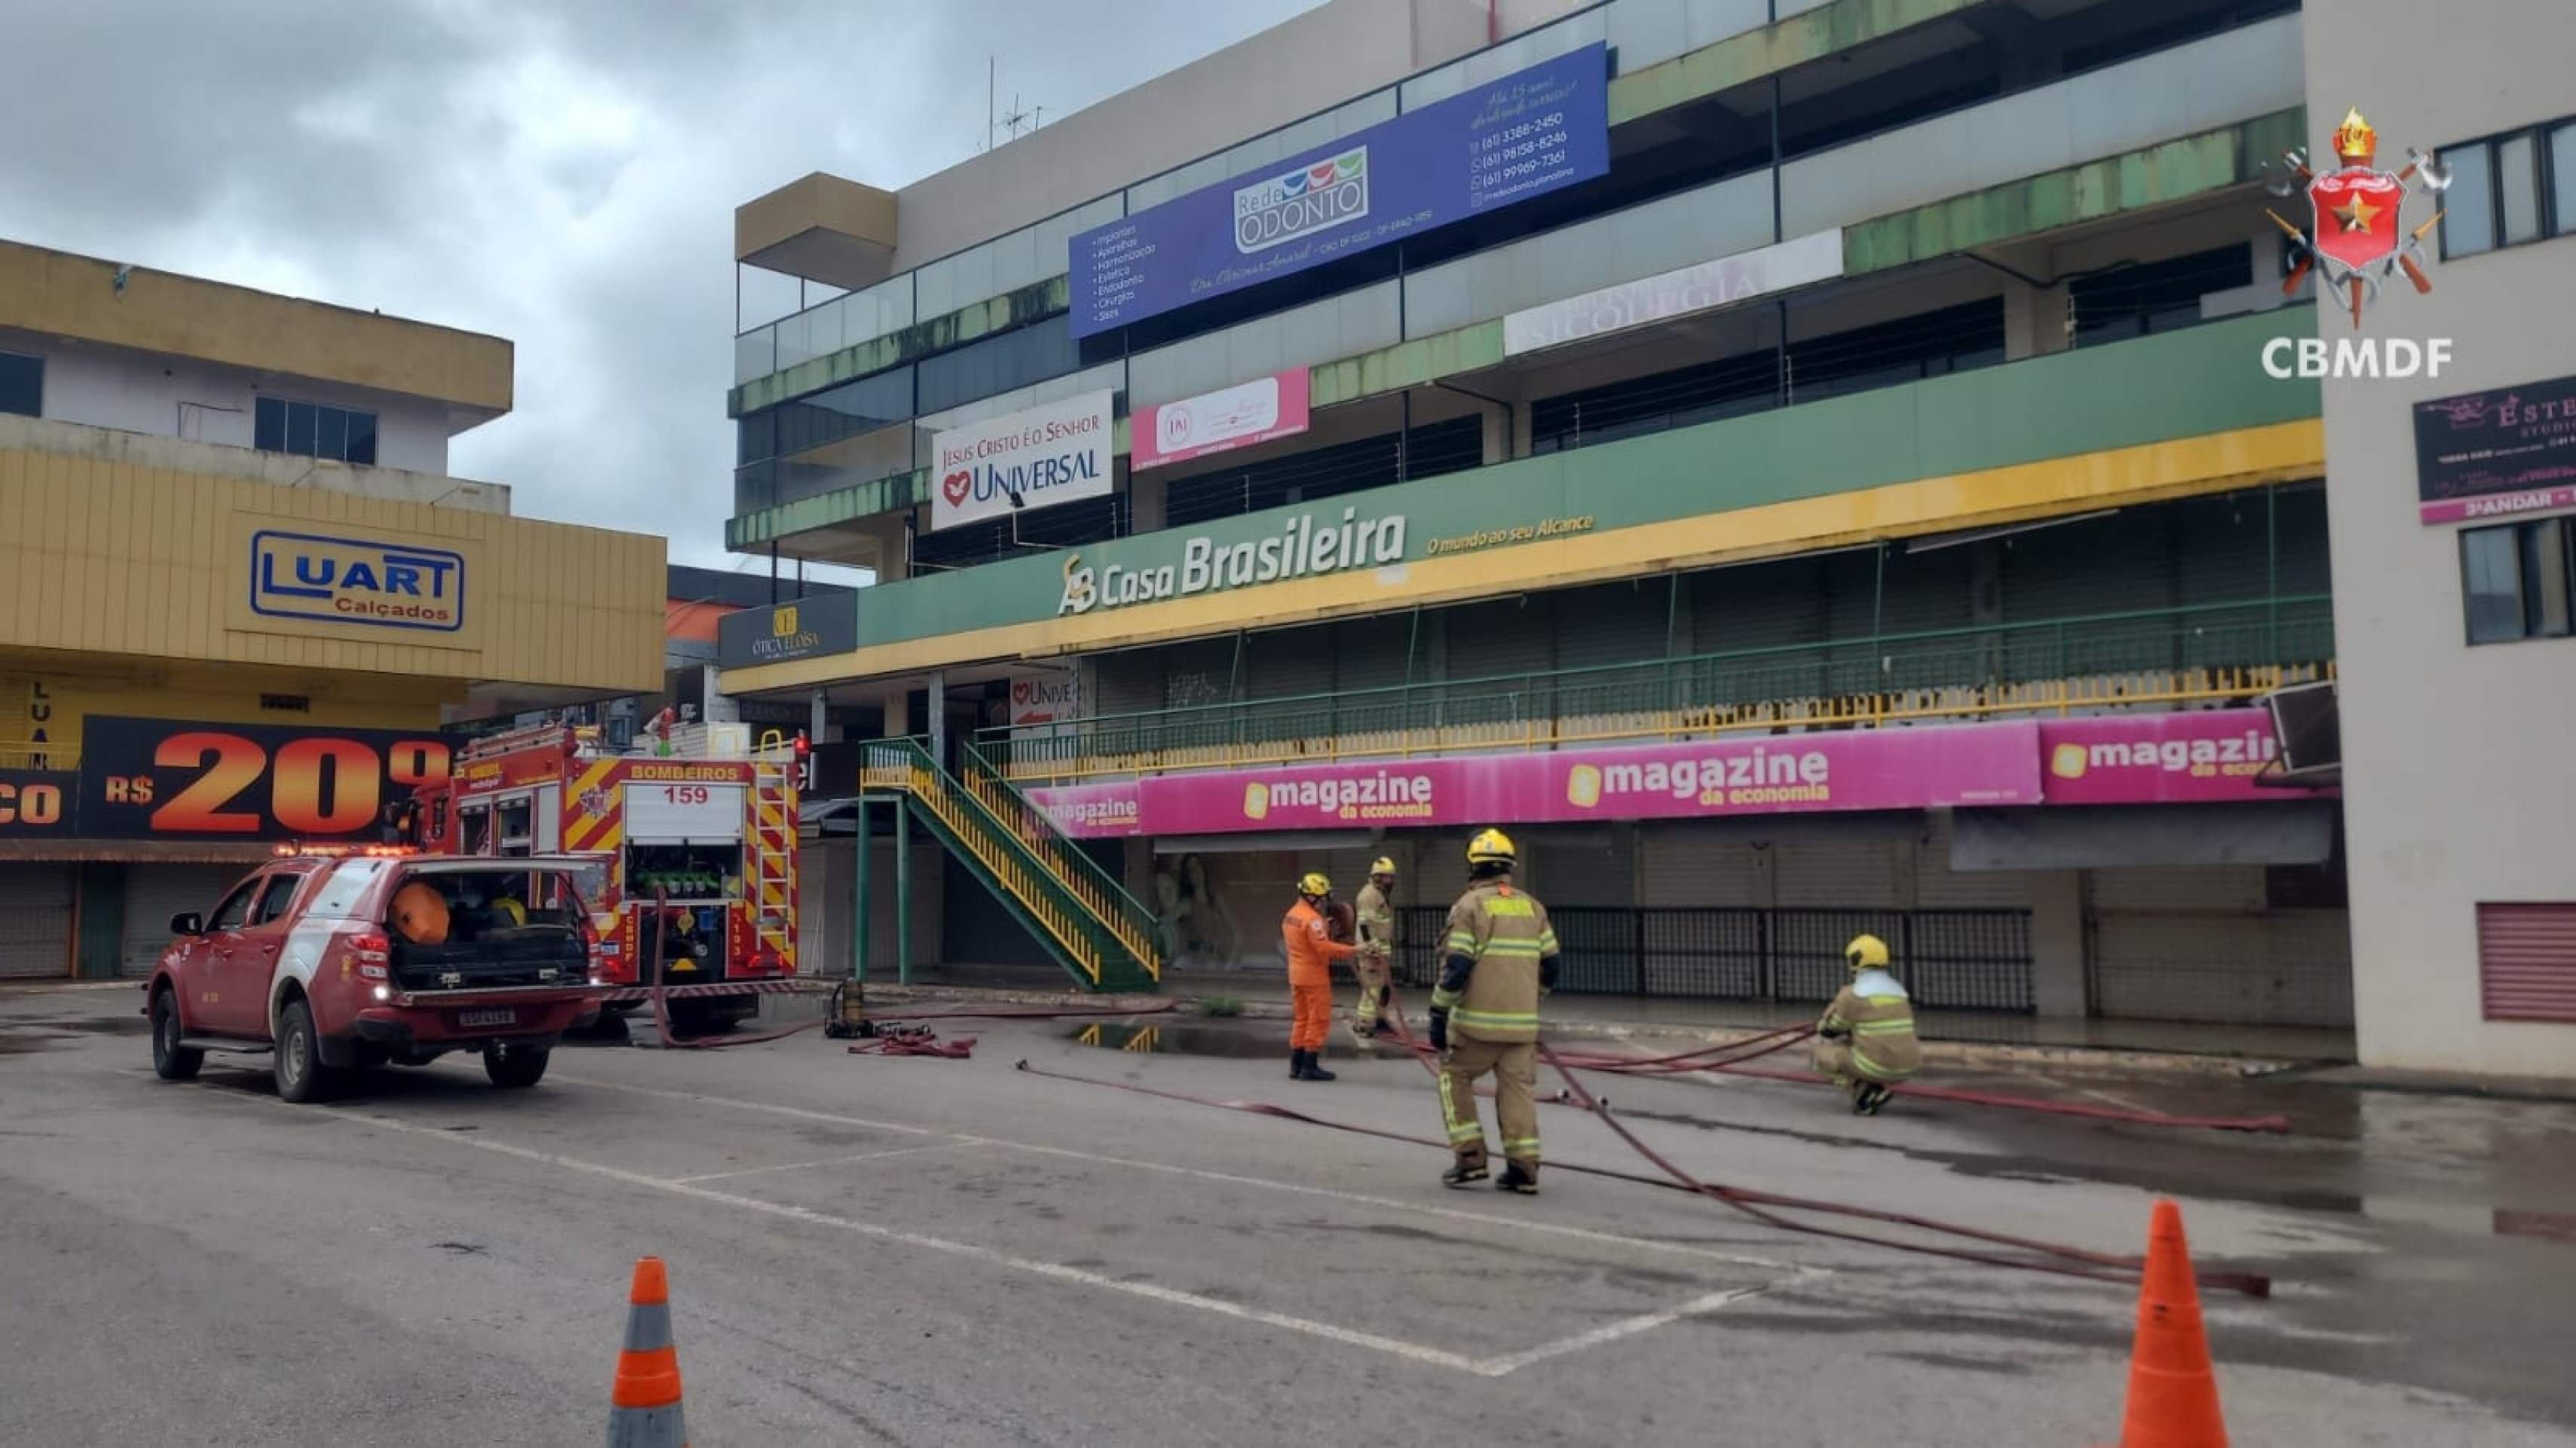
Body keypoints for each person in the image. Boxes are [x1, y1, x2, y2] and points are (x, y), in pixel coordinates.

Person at [1428, 829, 1558, 1194]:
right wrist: (1533, 999)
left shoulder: (1469, 907)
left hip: (1475, 1028)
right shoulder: (1533, 907)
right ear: (1509, 867)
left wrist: (1438, 1012)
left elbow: (1457, 966)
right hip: (1522, 1029)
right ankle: (1524, 1171)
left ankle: (1470, 1160)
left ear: (1473, 866)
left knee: (1454, 1077)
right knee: (1518, 1093)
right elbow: (1552, 965)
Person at [1812, 933, 1920, 1116]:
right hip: (1910, 1066)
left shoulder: (1852, 995)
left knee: (1820, 1055)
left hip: (1877, 1067)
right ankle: (1870, 1091)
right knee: (1852, 1046)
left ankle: (1864, 1091)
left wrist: (1826, 1018)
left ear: (1855, 960)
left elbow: (1830, 1030)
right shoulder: (1900, 993)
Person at [1281, 872, 1356, 1082]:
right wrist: (1356, 949)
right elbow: (1324, 949)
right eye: (1322, 898)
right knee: (1318, 1020)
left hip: (1296, 974)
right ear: (1313, 897)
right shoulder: (1313, 920)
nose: (1324, 902)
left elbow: (1307, 941)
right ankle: (1309, 1067)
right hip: (1314, 976)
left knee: (1301, 1019)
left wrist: (1324, 927)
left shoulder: (1291, 915)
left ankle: (1295, 1066)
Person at [1351, 856, 1398, 1039]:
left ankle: (1380, 1019)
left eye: (1392, 877)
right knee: (1372, 987)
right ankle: (1364, 1023)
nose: (1391, 881)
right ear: (1378, 877)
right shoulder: (1369, 895)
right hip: (1372, 951)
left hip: (1381, 950)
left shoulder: (1379, 894)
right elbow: (1365, 925)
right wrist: (1371, 948)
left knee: (1382, 987)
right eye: (1387, 877)